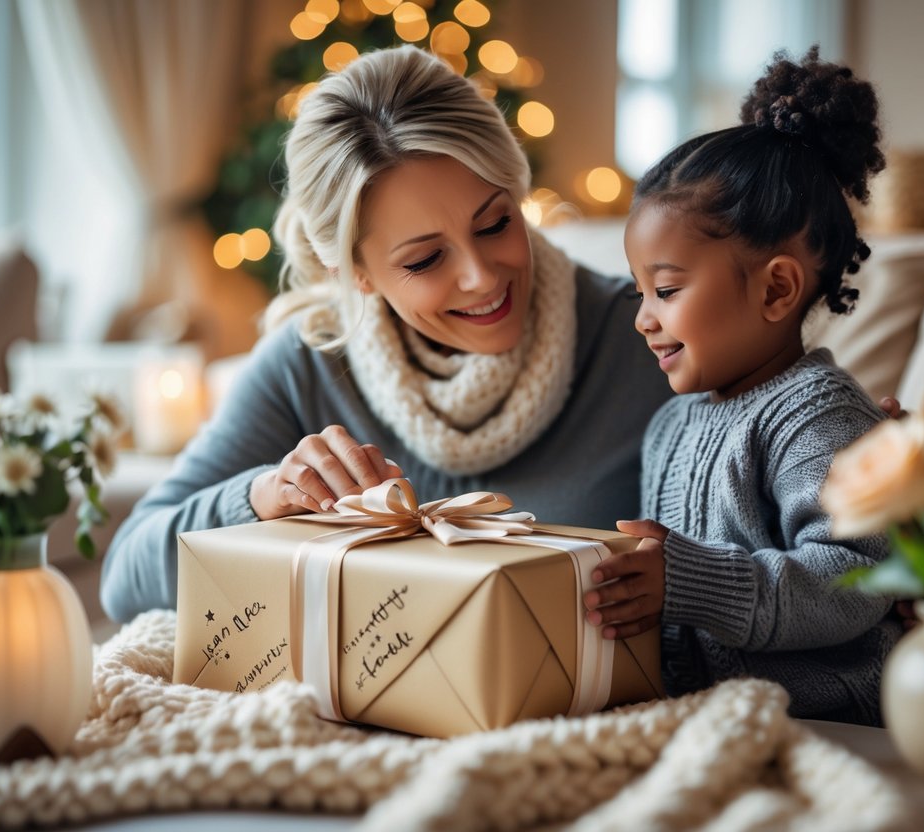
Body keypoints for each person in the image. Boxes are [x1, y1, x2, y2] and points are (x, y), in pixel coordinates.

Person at [99, 45, 675, 623]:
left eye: (496, 223)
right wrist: (265, 496)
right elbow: (125, 579)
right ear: (356, 274)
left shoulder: (649, 334)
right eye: (425, 260)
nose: (480, 277)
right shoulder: (311, 361)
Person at [582, 48, 900, 726]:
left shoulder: (819, 419)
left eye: (665, 289)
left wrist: (689, 582)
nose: (643, 318)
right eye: (641, 291)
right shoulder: (672, 424)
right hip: (693, 713)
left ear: (776, 288)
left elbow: (854, 578)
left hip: (821, 716)